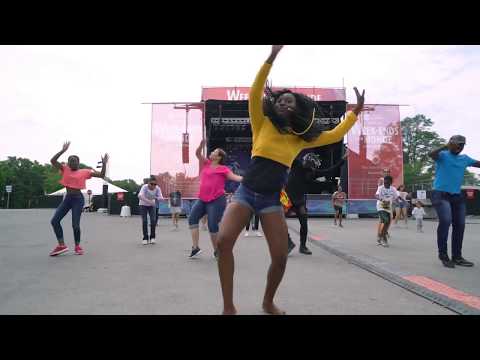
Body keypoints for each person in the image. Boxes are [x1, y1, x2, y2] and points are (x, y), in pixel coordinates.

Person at [216, 45, 364, 315]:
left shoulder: (299, 139)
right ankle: (228, 307)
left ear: (298, 111)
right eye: (280, 100)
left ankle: (267, 302)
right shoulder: (262, 123)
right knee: (224, 242)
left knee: (281, 258)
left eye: (290, 101)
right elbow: (254, 91)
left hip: (271, 200)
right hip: (246, 193)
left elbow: (333, 134)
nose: (283, 102)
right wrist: (271, 58)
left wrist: (355, 113)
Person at [49, 141, 108, 256]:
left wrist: (104, 163)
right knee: (54, 221)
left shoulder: (85, 172)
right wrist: (62, 151)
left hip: (78, 199)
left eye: (75, 161)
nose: (72, 162)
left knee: (75, 224)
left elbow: (101, 175)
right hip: (68, 199)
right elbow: (52, 161)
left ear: (78, 163)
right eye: (70, 161)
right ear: (68, 163)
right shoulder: (64, 169)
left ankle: (77, 246)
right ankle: (61, 245)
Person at [429, 135, 480, 268]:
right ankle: (443, 255)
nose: (459, 147)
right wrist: (446, 145)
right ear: (451, 144)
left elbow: (478, 164)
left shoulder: (465, 159)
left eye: (461, 145)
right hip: (440, 194)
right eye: (457, 144)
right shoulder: (443, 155)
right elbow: (431, 154)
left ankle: (457, 256)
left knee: (460, 224)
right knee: (446, 220)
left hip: (456, 195)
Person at [188, 139, 242, 259]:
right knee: (192, 218)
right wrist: (200, 145)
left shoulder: (224, 169)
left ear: (218, 157)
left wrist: (248, 179)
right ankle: (195, 248)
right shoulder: (206, 163)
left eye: (214, 152)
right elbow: (197, 154)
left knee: (213, 225)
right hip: (202, 199)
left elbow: (234, 177)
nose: (211, 152)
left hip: (217, 200)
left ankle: (217, 251)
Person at [285, 152, 346, 254]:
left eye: (314, 166)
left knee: (304, 222)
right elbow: (290, 154)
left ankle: (303, 246)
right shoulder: (297, 165)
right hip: (287, 199)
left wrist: (342, 160)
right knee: (279, 221)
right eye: (313, 164)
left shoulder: (312, 172)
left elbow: (329, 171)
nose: (313, 167)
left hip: (299, 200)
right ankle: (288, 242)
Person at [138, 175, 163, 245]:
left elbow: (161, 197)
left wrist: (157, 198)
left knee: (153, 220)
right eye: (151, 184)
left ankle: (152, 237)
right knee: (145, 221)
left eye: (155, 184)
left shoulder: (157, 188)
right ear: (148, 183)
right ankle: (145, 238)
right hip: (143, 205)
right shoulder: (144, 187)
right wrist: (149, 201)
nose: (153, 186)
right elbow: (139, 196)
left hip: (152, 206)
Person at [375, 175, 398, 247]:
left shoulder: (393, 189)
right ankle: (384, 238)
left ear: (391, 183)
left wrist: (402, 201)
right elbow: (376, 195)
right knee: (385, 220)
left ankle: (380, 236)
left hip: (388, 207)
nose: (385, 184)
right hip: (381, 206)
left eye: (387, 183)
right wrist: (381, 199)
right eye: (384, 183)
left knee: (388, 223)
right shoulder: (380, 188)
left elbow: (396, 197)